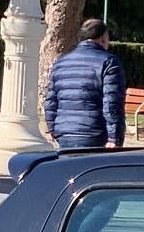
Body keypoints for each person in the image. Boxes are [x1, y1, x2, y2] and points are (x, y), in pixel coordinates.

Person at [44, 18, 126, 149]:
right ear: (103, 38)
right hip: (94, 134)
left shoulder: (61, 63)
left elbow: (51, 101)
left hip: (64, 133)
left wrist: (53, 129)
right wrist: (114, 137)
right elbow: (112, 103)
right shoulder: (109, 62)